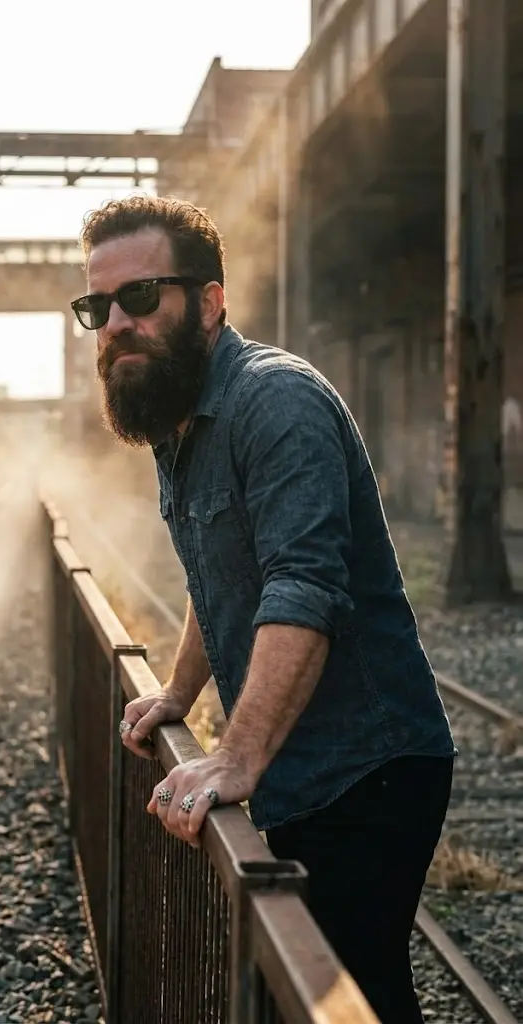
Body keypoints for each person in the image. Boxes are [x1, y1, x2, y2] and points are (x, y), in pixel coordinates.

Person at [70, 195, 456, 1024]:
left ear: (209, 300)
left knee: (345, 997)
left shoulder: (272, 403)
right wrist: (179, 696)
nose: (115, 325)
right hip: (304, 770)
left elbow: (301, 588)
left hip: (369, 771)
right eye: (96, 308)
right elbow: (221, 581)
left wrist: (235, 758)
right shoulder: (179, 419)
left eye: (141, 298)